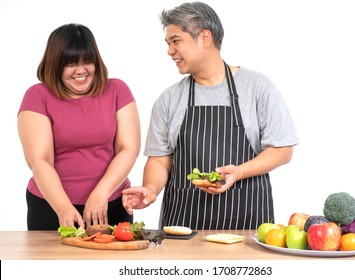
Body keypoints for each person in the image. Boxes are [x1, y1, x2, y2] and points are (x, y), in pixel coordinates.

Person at [122, 2, 299, 230]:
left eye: (176, 41)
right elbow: (159, 159)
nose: (169, 51)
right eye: (168, 43)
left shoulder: (257, 87)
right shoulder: (169, 98)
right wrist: (150, 189)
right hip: (184, 226)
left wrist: (239, 172)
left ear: (205, 38)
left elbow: (283, 150)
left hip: (247, 224)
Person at [17, 23, 141, 230]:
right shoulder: (37, 95)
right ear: (55, 64)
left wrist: (101, 193)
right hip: (52, 206)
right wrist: (63, 208)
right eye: (71, 63)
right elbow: (40, 160)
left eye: (88, 62)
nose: (81, 70)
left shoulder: (118, 89)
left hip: (111, 203)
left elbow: (128, 149)